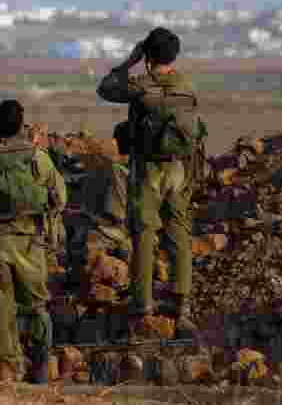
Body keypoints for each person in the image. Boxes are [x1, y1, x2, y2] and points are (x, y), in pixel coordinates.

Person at [96, 27, 206, 340]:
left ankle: (143, 306)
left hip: (148, 170)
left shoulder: (140, 86)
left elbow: (105, 89)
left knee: (143, 234)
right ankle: (182, 307)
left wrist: (129, 62)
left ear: (148, 55)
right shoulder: (187, 86)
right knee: (179, 233)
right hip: (179, 169)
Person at [0, 99, 67, 383]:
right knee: (37, 304)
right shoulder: (37, 157)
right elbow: (59, 198)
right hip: (31, 241)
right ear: (22, 125)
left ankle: (5, 368)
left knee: (1, 305)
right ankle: (41, 367)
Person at [63, 120, 132, 291]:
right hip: (104, 234)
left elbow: (114, 217)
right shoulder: (115, 171)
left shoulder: (107, 171)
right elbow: (115, 215)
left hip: (100, 235)